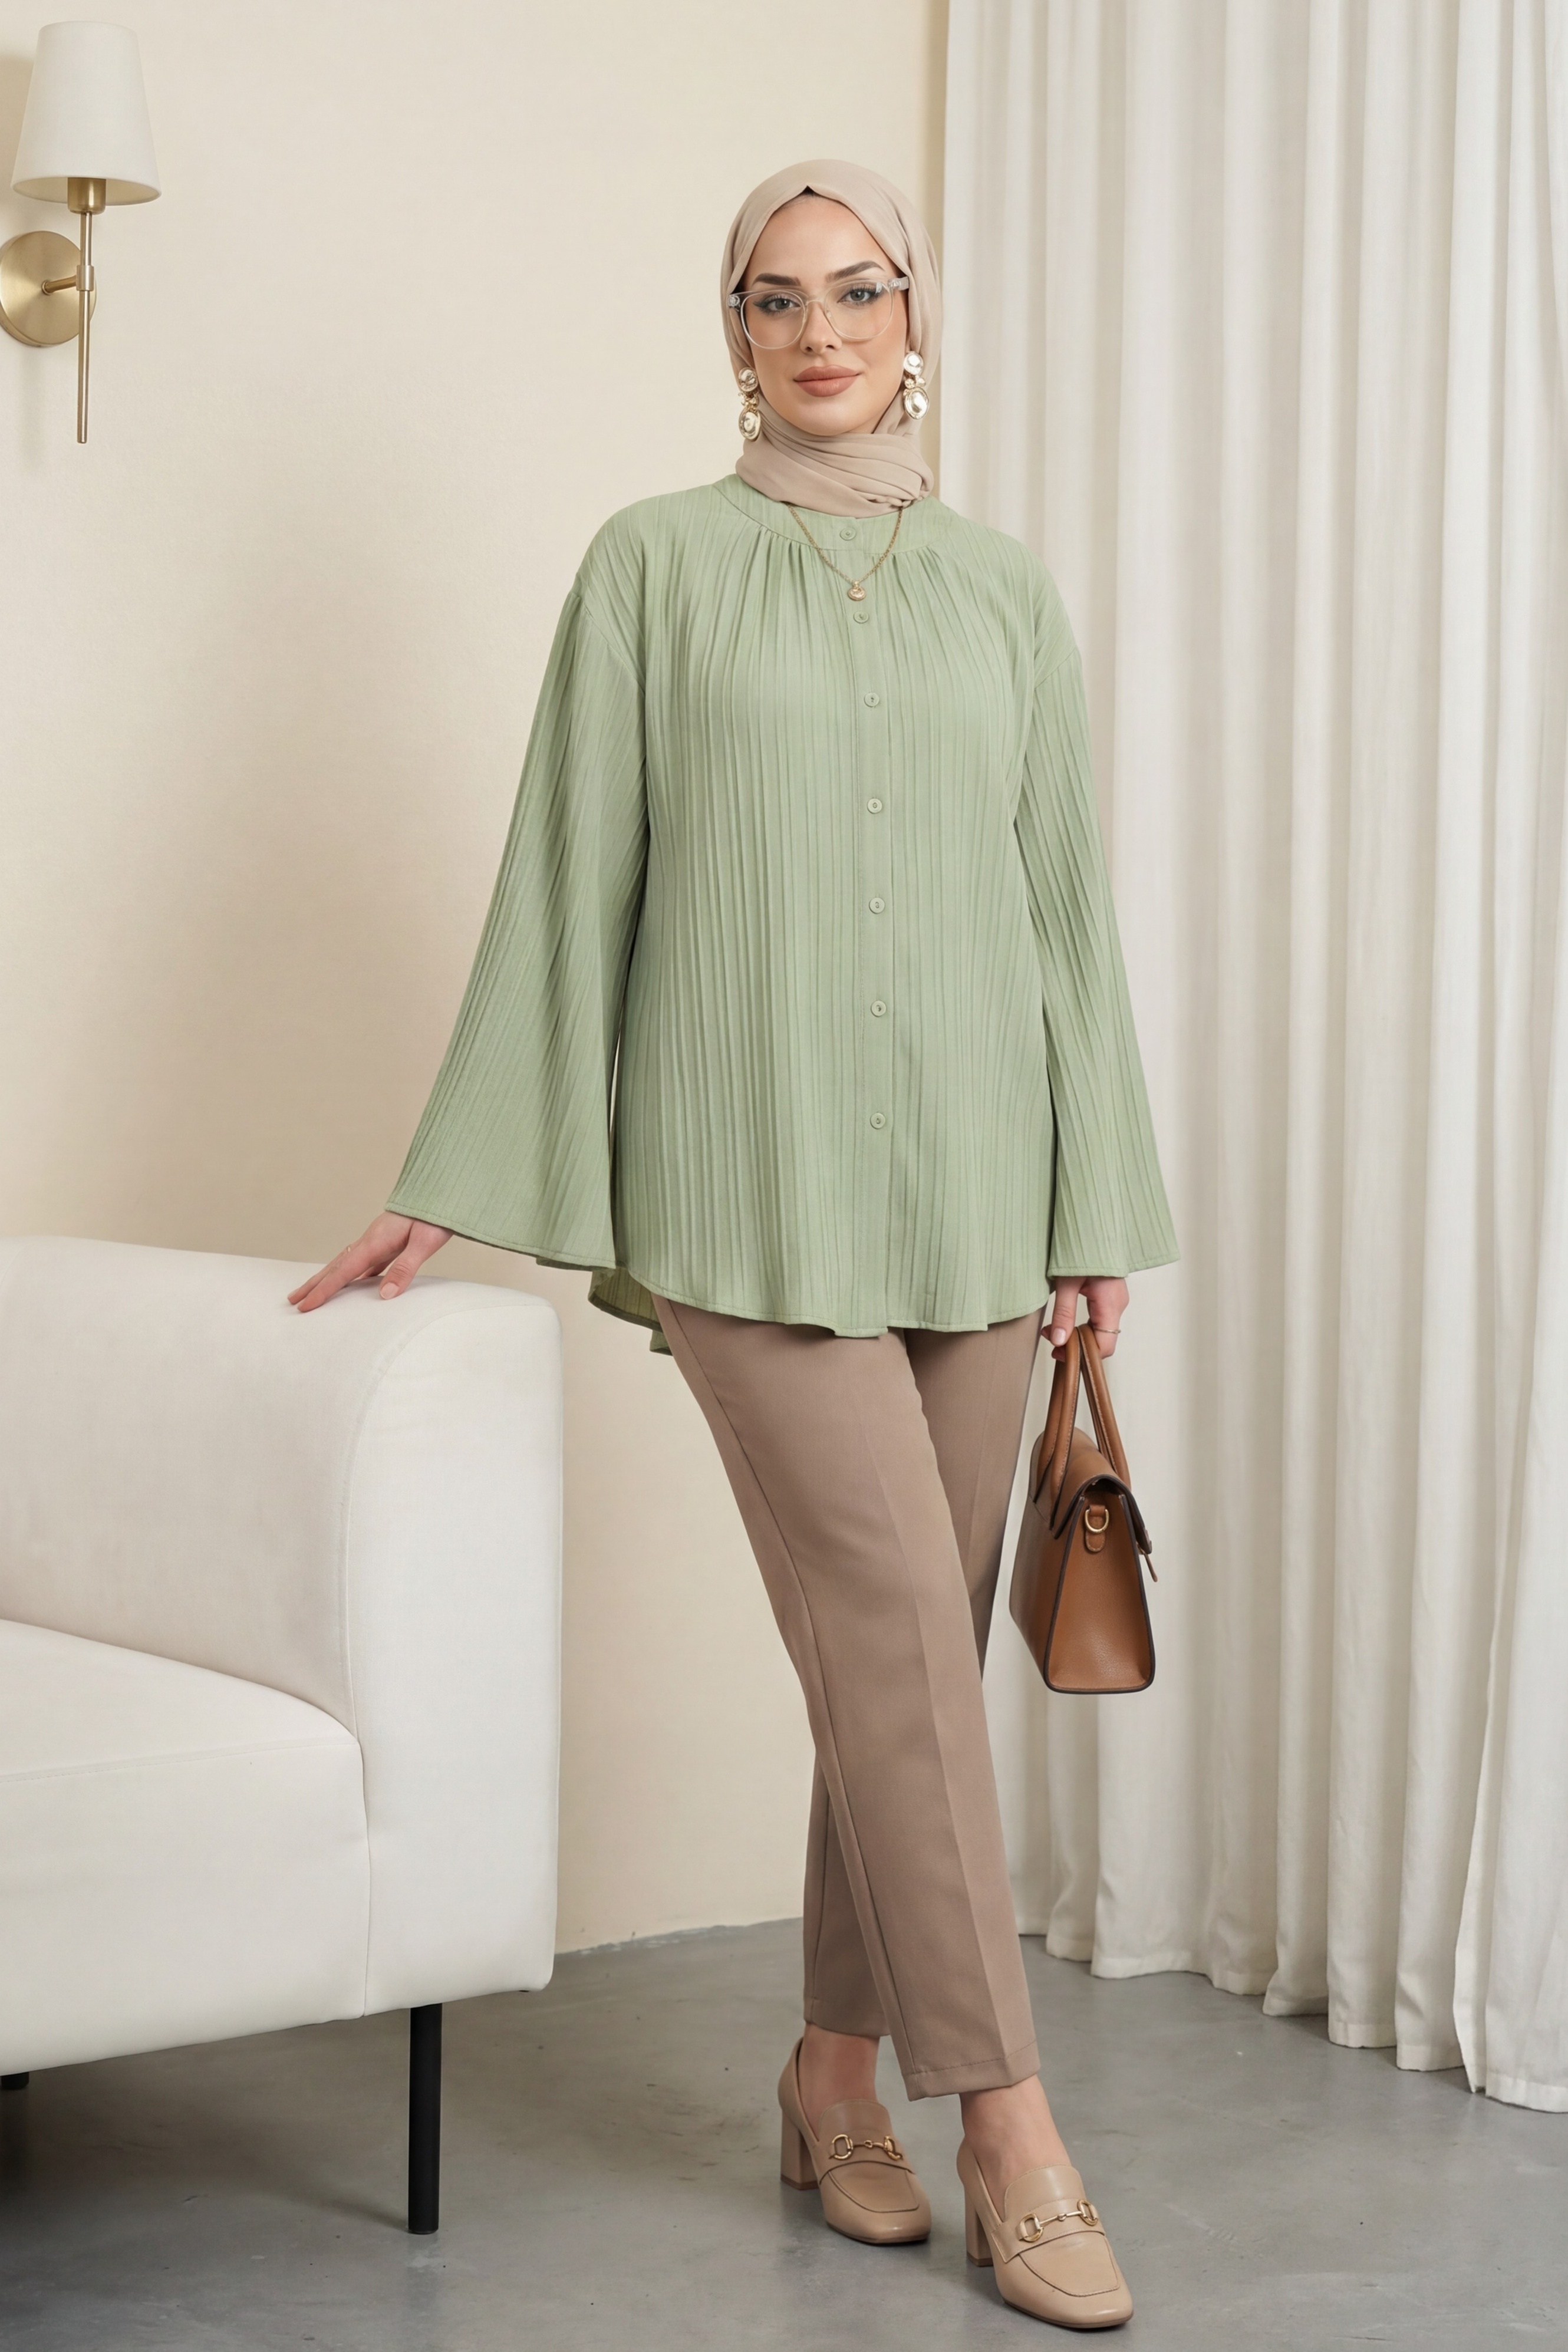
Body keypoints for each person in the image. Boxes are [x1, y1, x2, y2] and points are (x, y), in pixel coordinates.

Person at [291, 159, 1176, 2329]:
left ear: (913, 319)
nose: (819, 330)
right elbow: (567, 870)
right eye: (773, 299)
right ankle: (1009, 2127)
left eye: (856, 290)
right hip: (740, 1185)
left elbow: (1062, 908)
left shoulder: (1000, 595)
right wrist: (450, 1167)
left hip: (979, 1193)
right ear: (733, 337)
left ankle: (826, 2077)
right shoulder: (650, 568)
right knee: (892, 1639)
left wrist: (1091, 1203)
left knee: (905, 1669)